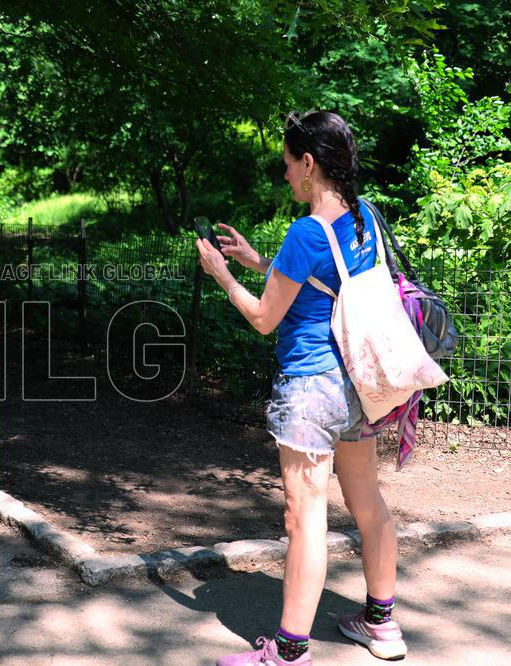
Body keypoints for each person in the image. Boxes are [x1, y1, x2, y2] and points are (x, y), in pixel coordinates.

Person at [196, 111, 407, 665]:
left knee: (304, 519)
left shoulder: (306, 231)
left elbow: (266, 318)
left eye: (289, 165)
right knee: (367, 503)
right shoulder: (366, 217)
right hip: (361, 385)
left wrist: (224, 275)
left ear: (309, 164)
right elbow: (324, 284)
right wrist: (259, 260)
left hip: (312, 389)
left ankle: (288, 652)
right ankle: (381, 625)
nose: (286, 176)